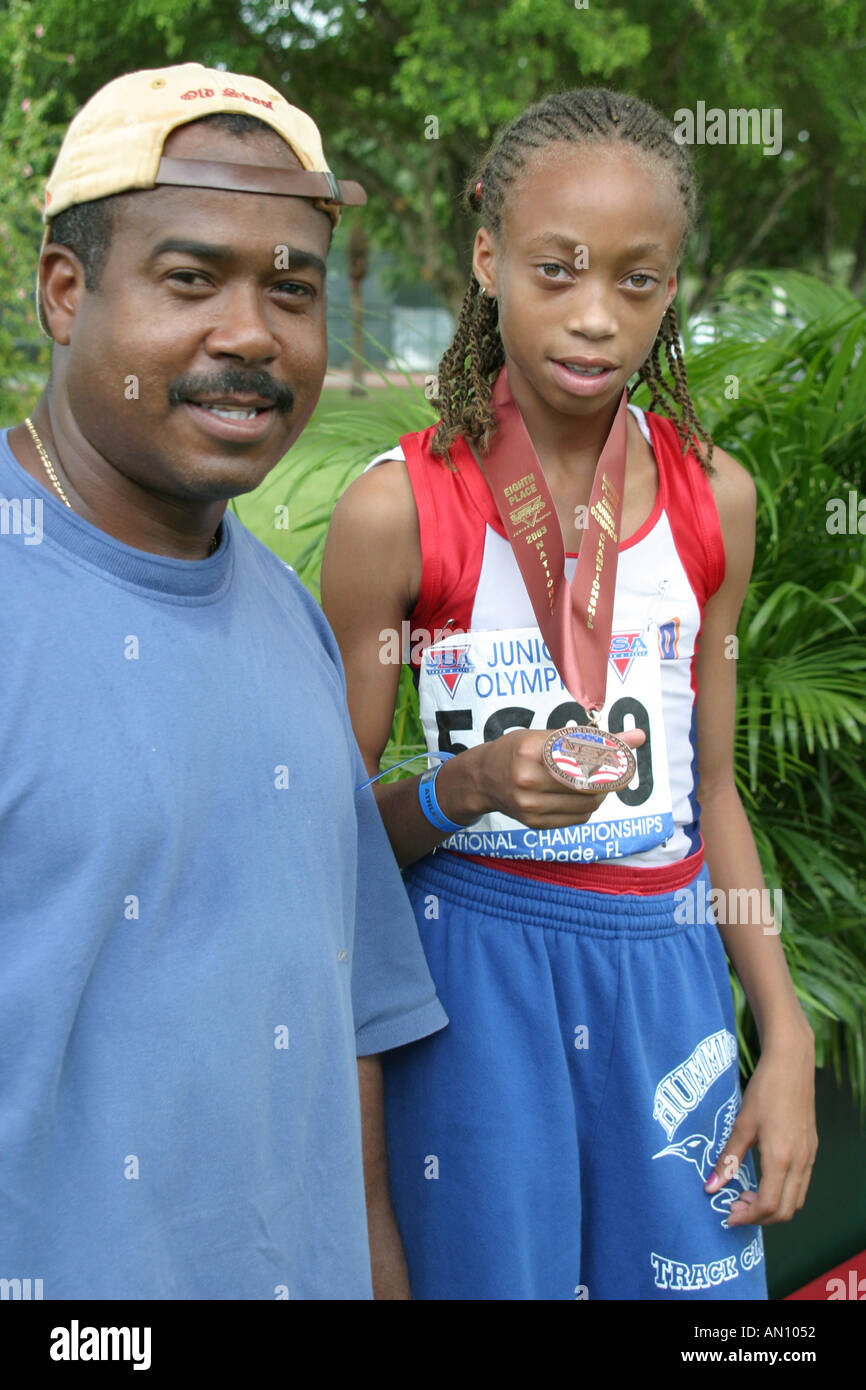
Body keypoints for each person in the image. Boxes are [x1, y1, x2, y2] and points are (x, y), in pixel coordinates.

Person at [321, 88, 817, 1301]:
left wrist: (786, 1031)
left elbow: (709, 789)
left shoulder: (716, 500)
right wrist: (464, 787)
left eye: (636, 281)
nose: (595, 317)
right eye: (556, 269)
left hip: (665, 969)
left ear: (669, 289)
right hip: (475, 978)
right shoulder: (398, 510)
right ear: (487, 257)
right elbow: (324, 842)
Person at [0, 61, 447, 1301]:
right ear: (65, 291)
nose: (250, 334)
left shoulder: (290, 619)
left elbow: (341, 1003)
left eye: (290, 290)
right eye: (191, 278)